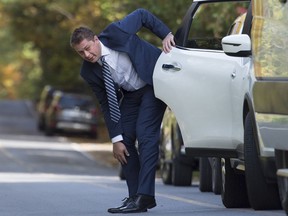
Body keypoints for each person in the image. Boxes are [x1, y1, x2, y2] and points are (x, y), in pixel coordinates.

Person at [70, 8, 174, 214]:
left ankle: (146, 196)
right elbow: (107, 103)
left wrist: (166, 34)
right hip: (132, 96)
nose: (87, 55)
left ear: (96, 39)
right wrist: (115, 139)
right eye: (81, 52)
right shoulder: (88, 71)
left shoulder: (116, 31)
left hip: (153, 84)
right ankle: (135, 196)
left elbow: (142, 15)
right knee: (123, 143)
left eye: (88, 48)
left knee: (145, 135)